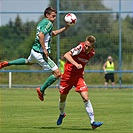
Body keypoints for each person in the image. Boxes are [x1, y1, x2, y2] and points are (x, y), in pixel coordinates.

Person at [0, 7, 70, 101]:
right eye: (53, 16)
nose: (54, 18)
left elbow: (51, 34)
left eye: (55, 16)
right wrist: (45, 49)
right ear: (47, 15)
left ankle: (8, 63)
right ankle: (41, 90)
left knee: (28, 61)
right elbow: (41, 35)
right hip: (41, 54)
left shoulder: (42, 22)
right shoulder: (48, 23)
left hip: (34, 51)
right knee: (57, 74)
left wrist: (65, 28)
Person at [56, 35, 103, 129]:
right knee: (62, 98)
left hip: (78, 77)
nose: (86, 47)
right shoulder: (80, 47)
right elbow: (66, 55)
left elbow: (83, 62)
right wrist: (76, 64)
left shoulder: (92, 53)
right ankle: (62, 114)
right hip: (67, 77)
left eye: (89, 47)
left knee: (85, 98)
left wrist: (82, 69)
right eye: (86, 45)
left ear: (92, 47)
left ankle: (93, 122)